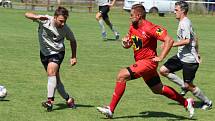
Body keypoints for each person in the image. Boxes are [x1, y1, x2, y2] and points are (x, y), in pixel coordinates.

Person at [97, 3, 195, 119]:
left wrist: (161, 57)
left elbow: (168, 40)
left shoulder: (150, 27)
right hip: (142, 62)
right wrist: (125, 44)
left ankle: (110, 109)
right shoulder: (133, 26)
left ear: (139, 15)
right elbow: (129, 43)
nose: (130, 16)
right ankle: (186, 102)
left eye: (132, 15)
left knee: (122, 75)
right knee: (158, 89)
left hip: (148, 62)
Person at [159, 1, 212, 110]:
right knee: (163, 70)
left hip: (190, 60)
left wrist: (171, 44)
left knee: (189, 85)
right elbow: (195, 38)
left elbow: (187, 40)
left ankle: (208, 102)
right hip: (181, 56)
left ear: (183, 11)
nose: (174, 12)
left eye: (176, 10)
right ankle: (184, 86)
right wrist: (198, 52)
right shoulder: (184, 21)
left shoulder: (185, 23)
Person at [25, 6, 77, 112]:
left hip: (58, 53)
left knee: (51, 72)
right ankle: (69, 99)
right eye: (61, 21)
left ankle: (49, 101)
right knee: (56, 82)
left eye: (65, 21)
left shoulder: (66, 29)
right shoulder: (45, 20)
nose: (63, 23)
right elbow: (27, 14)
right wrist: (37, 16)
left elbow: (73, 41)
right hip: (44, 54)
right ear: (55, 17)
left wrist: (73, 56)